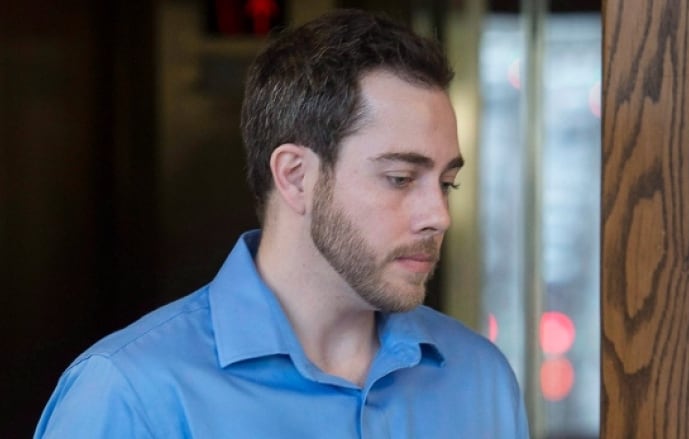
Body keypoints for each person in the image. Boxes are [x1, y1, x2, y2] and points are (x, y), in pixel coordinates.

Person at [34, 9, 530, 438]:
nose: (438, 216)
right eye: (400, 178)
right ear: (295, 177)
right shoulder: (130, 393)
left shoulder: (480, 378)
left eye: (447, 182)